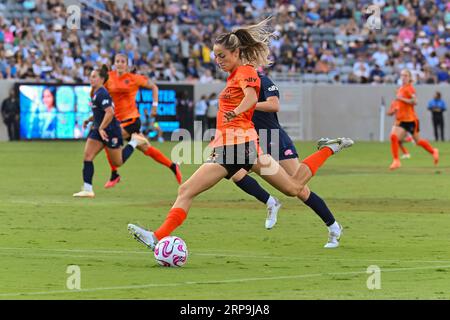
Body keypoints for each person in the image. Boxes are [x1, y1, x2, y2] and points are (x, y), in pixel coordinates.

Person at [127, 19, 353, 251]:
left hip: (240, 147)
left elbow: (252, 98)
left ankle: (156, 236)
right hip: (238, 147)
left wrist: (236, 111)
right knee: (292, 188)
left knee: (293, 188)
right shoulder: (234, 75)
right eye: (215, 56)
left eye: (222, 56)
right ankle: (328, 150)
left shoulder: (245, 72)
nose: (218, 61)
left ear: (236, 52)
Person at [229, 71, 343, 247]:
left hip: (274, 139)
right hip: (253, 141)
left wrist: (249, 105)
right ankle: (271, 202)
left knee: (300, 190)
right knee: (235, 174)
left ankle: (334, 227)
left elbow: (274, 105)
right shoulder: (237, 84)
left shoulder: (263, 80)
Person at [103, 53, 182, 188]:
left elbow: (154, 87)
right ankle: (172, 166)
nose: (120, 63)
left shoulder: (134, 78)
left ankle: (115, 173)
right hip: (118, 120)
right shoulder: (109, 77)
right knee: (147, 150)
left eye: (123, 61)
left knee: (106, 137)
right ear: (114, 63)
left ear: (127, 65)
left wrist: (155, 106)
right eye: (117, 61)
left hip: (131, 120)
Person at [73, 66, 147, 198]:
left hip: (111, 130)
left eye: (94, 76)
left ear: (102, 79)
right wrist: (90, 120)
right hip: (99, 129)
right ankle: (88, 189)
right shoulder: (96, 93)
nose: (91, 79)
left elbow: (110, 112)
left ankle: (134, 141)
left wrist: (101, 128)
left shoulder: (102, 93)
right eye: (90, 76)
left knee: (117, 162)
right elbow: (100, 112)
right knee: (88, 156)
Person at [389, 69, 439, 170]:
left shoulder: (409, 88)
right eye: (402, 75)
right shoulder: (400, 89)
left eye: (406, 75)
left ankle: (433, 151)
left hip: (411, 120)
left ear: (409, 77)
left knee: (418, 141)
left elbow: (415, 101)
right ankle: (396, 161)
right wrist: (395, 110)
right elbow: (400, 104)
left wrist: (401, 99)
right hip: (401, 120)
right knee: (393, 137)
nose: (403, 77)